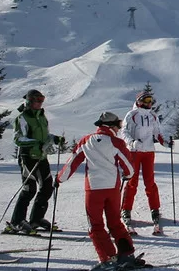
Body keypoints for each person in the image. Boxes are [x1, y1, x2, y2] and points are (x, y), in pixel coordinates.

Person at [56, 111, 144, 270]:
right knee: (115, 222)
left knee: (95, 225)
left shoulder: (86, 141)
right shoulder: (116, 142)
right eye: (117, 125)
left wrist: (59, 179)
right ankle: (127, 254)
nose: (118, 129)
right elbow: (129, 167)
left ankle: (109, 258)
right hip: (112, 188)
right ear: (111, 126)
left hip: (94, 188)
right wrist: (127, 175)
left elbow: (72, 162)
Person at [3, 89, 65, 235]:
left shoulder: (42, 117)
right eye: (37, 100)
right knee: (29, 189)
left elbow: (45, 136)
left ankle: (36, 219)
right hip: (27, 156)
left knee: (47, 187)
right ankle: (17, 221)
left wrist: (54, 139)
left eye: (42, 100)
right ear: (29, 101)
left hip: (41, 156)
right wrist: (36, 143)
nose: (40, 103)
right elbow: (18, 139)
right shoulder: (23, 117)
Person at [120, 91, 172, 234]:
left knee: (150, 182)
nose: (149, 103)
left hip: (148, 151)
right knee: (132, 182)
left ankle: (155, 209)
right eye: (147, 100)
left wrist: (165, 143)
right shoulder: (131, 115)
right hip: (134, 152)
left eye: (151, 100)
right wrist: (132, 142)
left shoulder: (153, 116)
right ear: (139, 101)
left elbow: (157, 132)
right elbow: (124, 132)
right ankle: (125, 209)